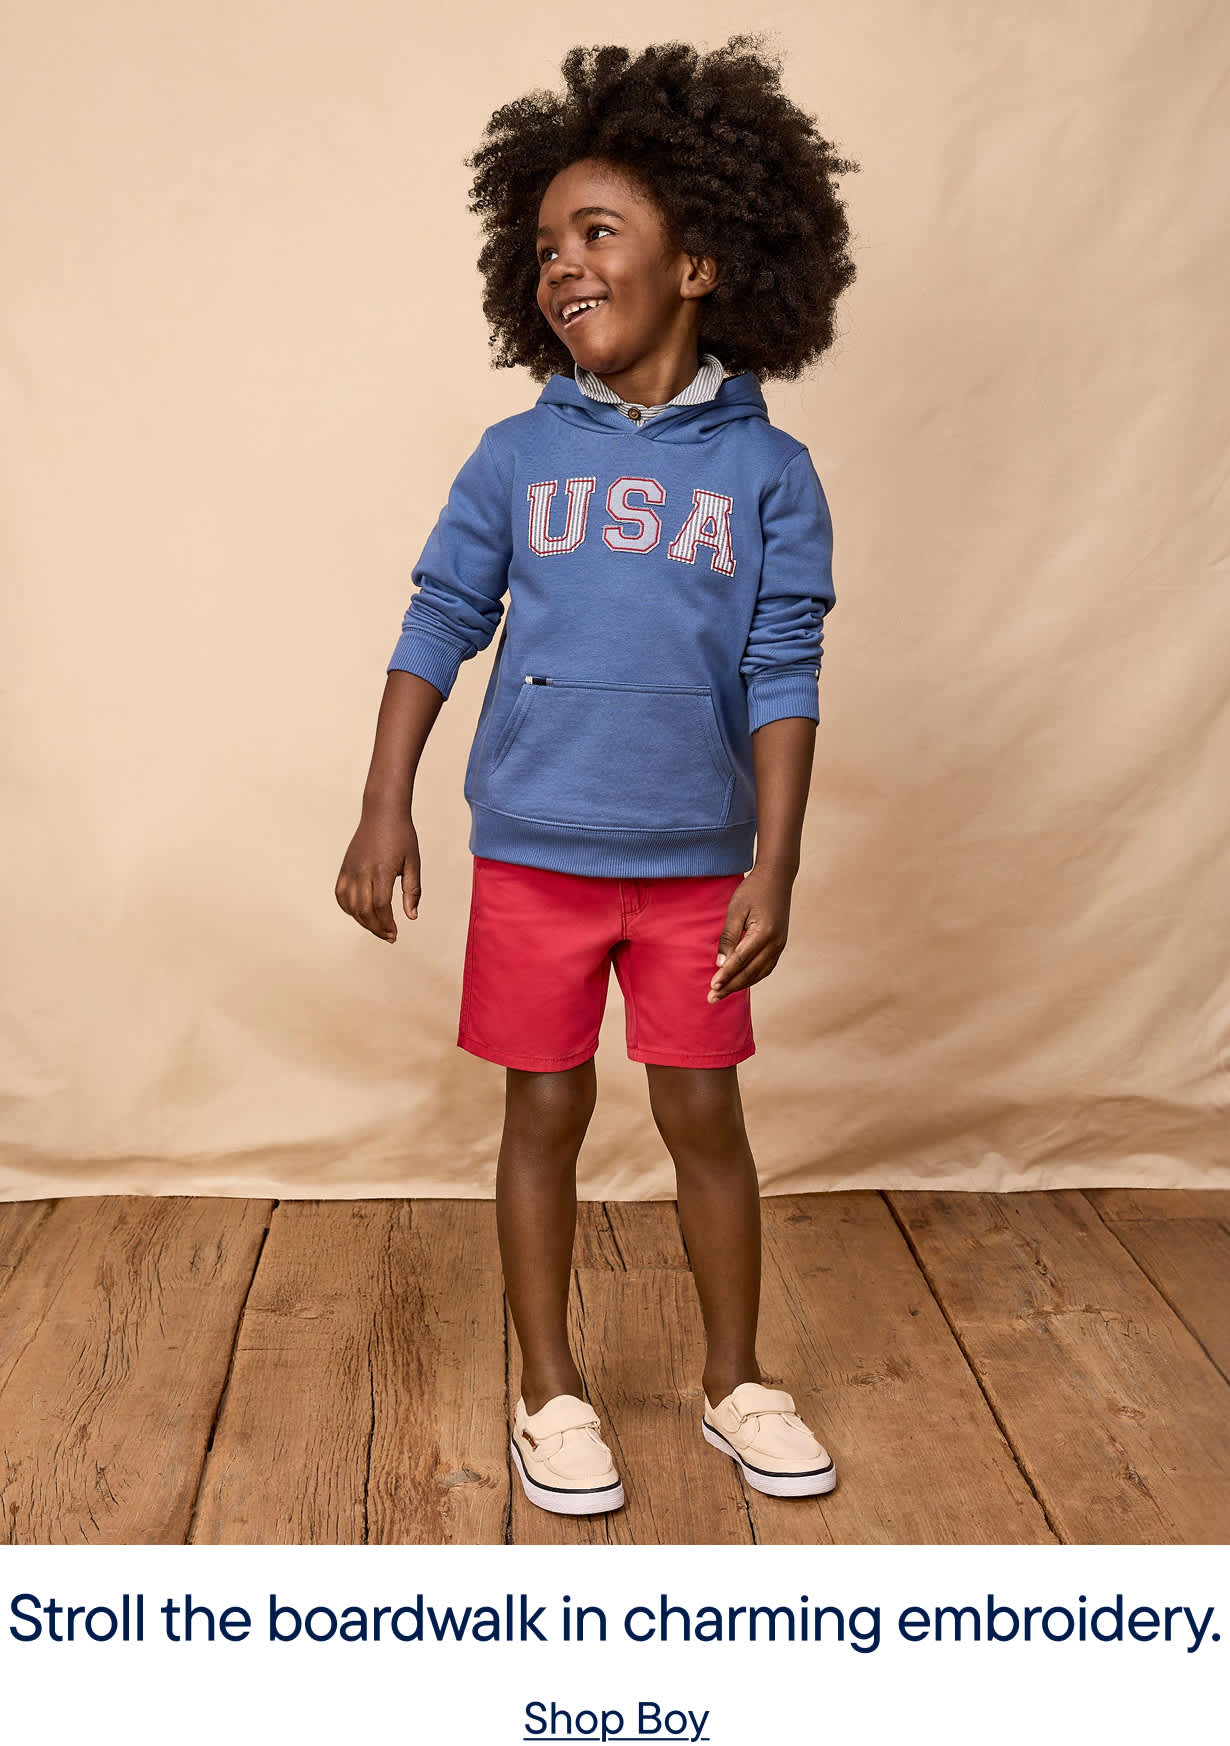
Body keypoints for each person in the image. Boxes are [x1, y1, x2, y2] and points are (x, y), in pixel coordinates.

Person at [336, 35, 859, 1517]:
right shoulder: (513, 456)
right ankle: (548, 1389)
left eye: (597, 232)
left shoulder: (770, 476)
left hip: (697, 864)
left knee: (705, 1118)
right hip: (537, 854)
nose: (562, 263)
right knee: (543, 1113)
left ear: (699, 262)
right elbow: (438, 616)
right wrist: (387, 801)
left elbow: (783, 670)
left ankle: (735, 1378)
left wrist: (776, 858)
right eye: (544, 241)